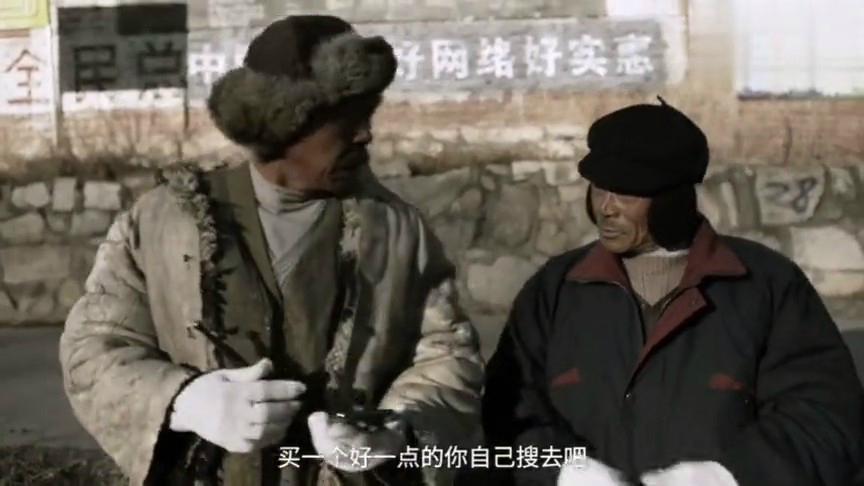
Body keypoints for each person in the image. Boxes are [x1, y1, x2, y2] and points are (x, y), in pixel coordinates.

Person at [59, 15, 483, 486]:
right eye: (346, 117)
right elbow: (93, 349)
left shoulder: (397, 230)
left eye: (368, 113)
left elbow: (446, 355)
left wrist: (396, 429)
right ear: (286, 123)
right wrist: (184, 401)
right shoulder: (160, 224)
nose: (366, 133)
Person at [481, 98, 864, 486]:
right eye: (598, 189)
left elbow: (825, 418)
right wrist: (563, 471)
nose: (606, 208)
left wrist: (725, 476)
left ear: (674, 200)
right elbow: (507, 411)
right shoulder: (556, 290)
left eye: (626, 194)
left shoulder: (766, 287)